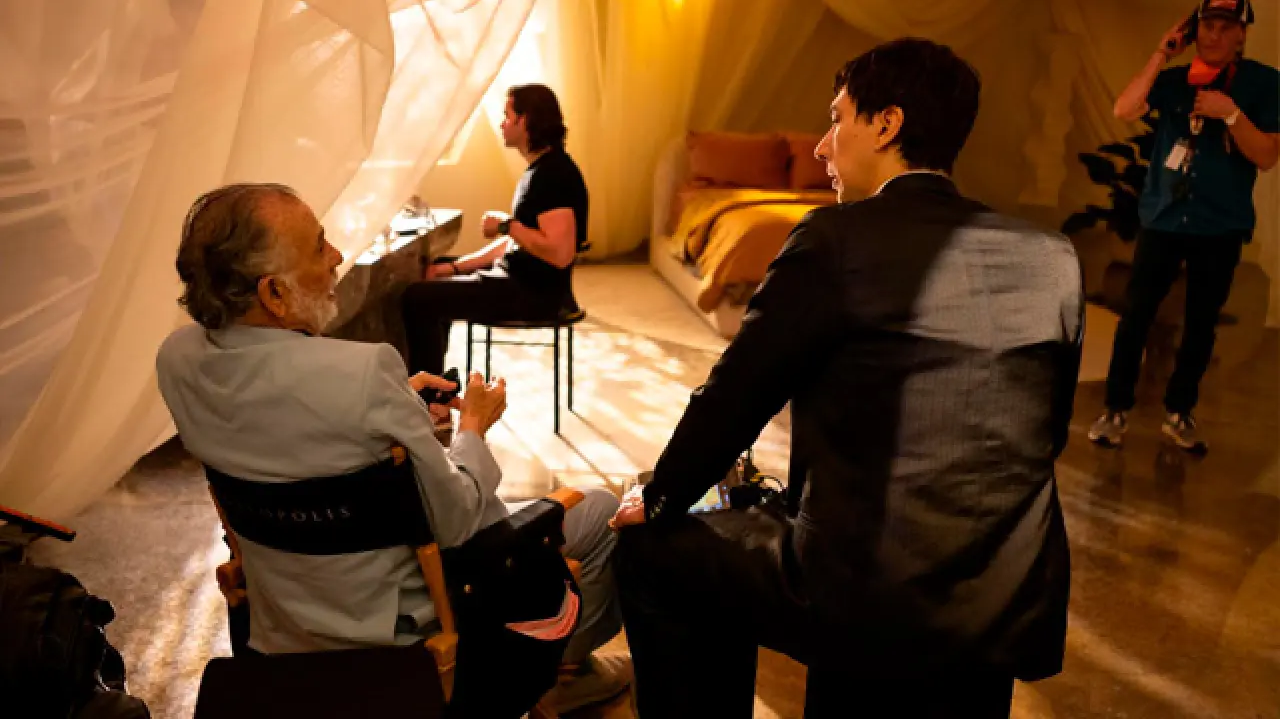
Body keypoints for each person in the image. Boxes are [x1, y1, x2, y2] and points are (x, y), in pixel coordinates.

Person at [609, 38, 1081, 718]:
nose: (824, 147)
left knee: (654, 551)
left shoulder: (833, 239)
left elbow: (734, 401)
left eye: (837, 119)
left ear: (887, 124)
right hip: (1008, 589)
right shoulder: (1053, 257)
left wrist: (657, 497)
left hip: (865, 588)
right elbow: (1044, 432)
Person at [155, 183, 629, 713]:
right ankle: (567, 676)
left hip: (281, 623)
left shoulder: (177, 361)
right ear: (274, 294)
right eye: (319, 245)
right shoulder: (364, 372)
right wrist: (473, 426)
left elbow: (279, 422)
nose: (336, 256)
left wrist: (397, 409)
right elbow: (458, 521)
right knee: (602, 510)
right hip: (395, 633)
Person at [1089, 0, 1278, 453]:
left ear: (1241, 35)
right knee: (1136, 315)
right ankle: (1115, 409)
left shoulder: (1264, 83)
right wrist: (1161, 53)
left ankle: (1179, 412)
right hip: (1165, 217)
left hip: (1220, 222)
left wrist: (1230, 114)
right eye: (1206, 26)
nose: (1214, 35)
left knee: (1201, 323)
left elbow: (1267, 156)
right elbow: (1124, 109)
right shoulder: (1174, 81)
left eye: (1224, 27)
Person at [401, 83, 588, 378]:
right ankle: (436, 382)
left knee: (417, 298)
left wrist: (507, 225)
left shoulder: (554, 175)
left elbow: (560, 253)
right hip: (518, 279)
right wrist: (453, 267)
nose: (502, 124)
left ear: (525, 120)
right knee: (437, 269)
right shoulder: (539, 170)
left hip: (534, 293)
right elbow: (518, 243)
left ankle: (430, 393)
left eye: (507, 116)